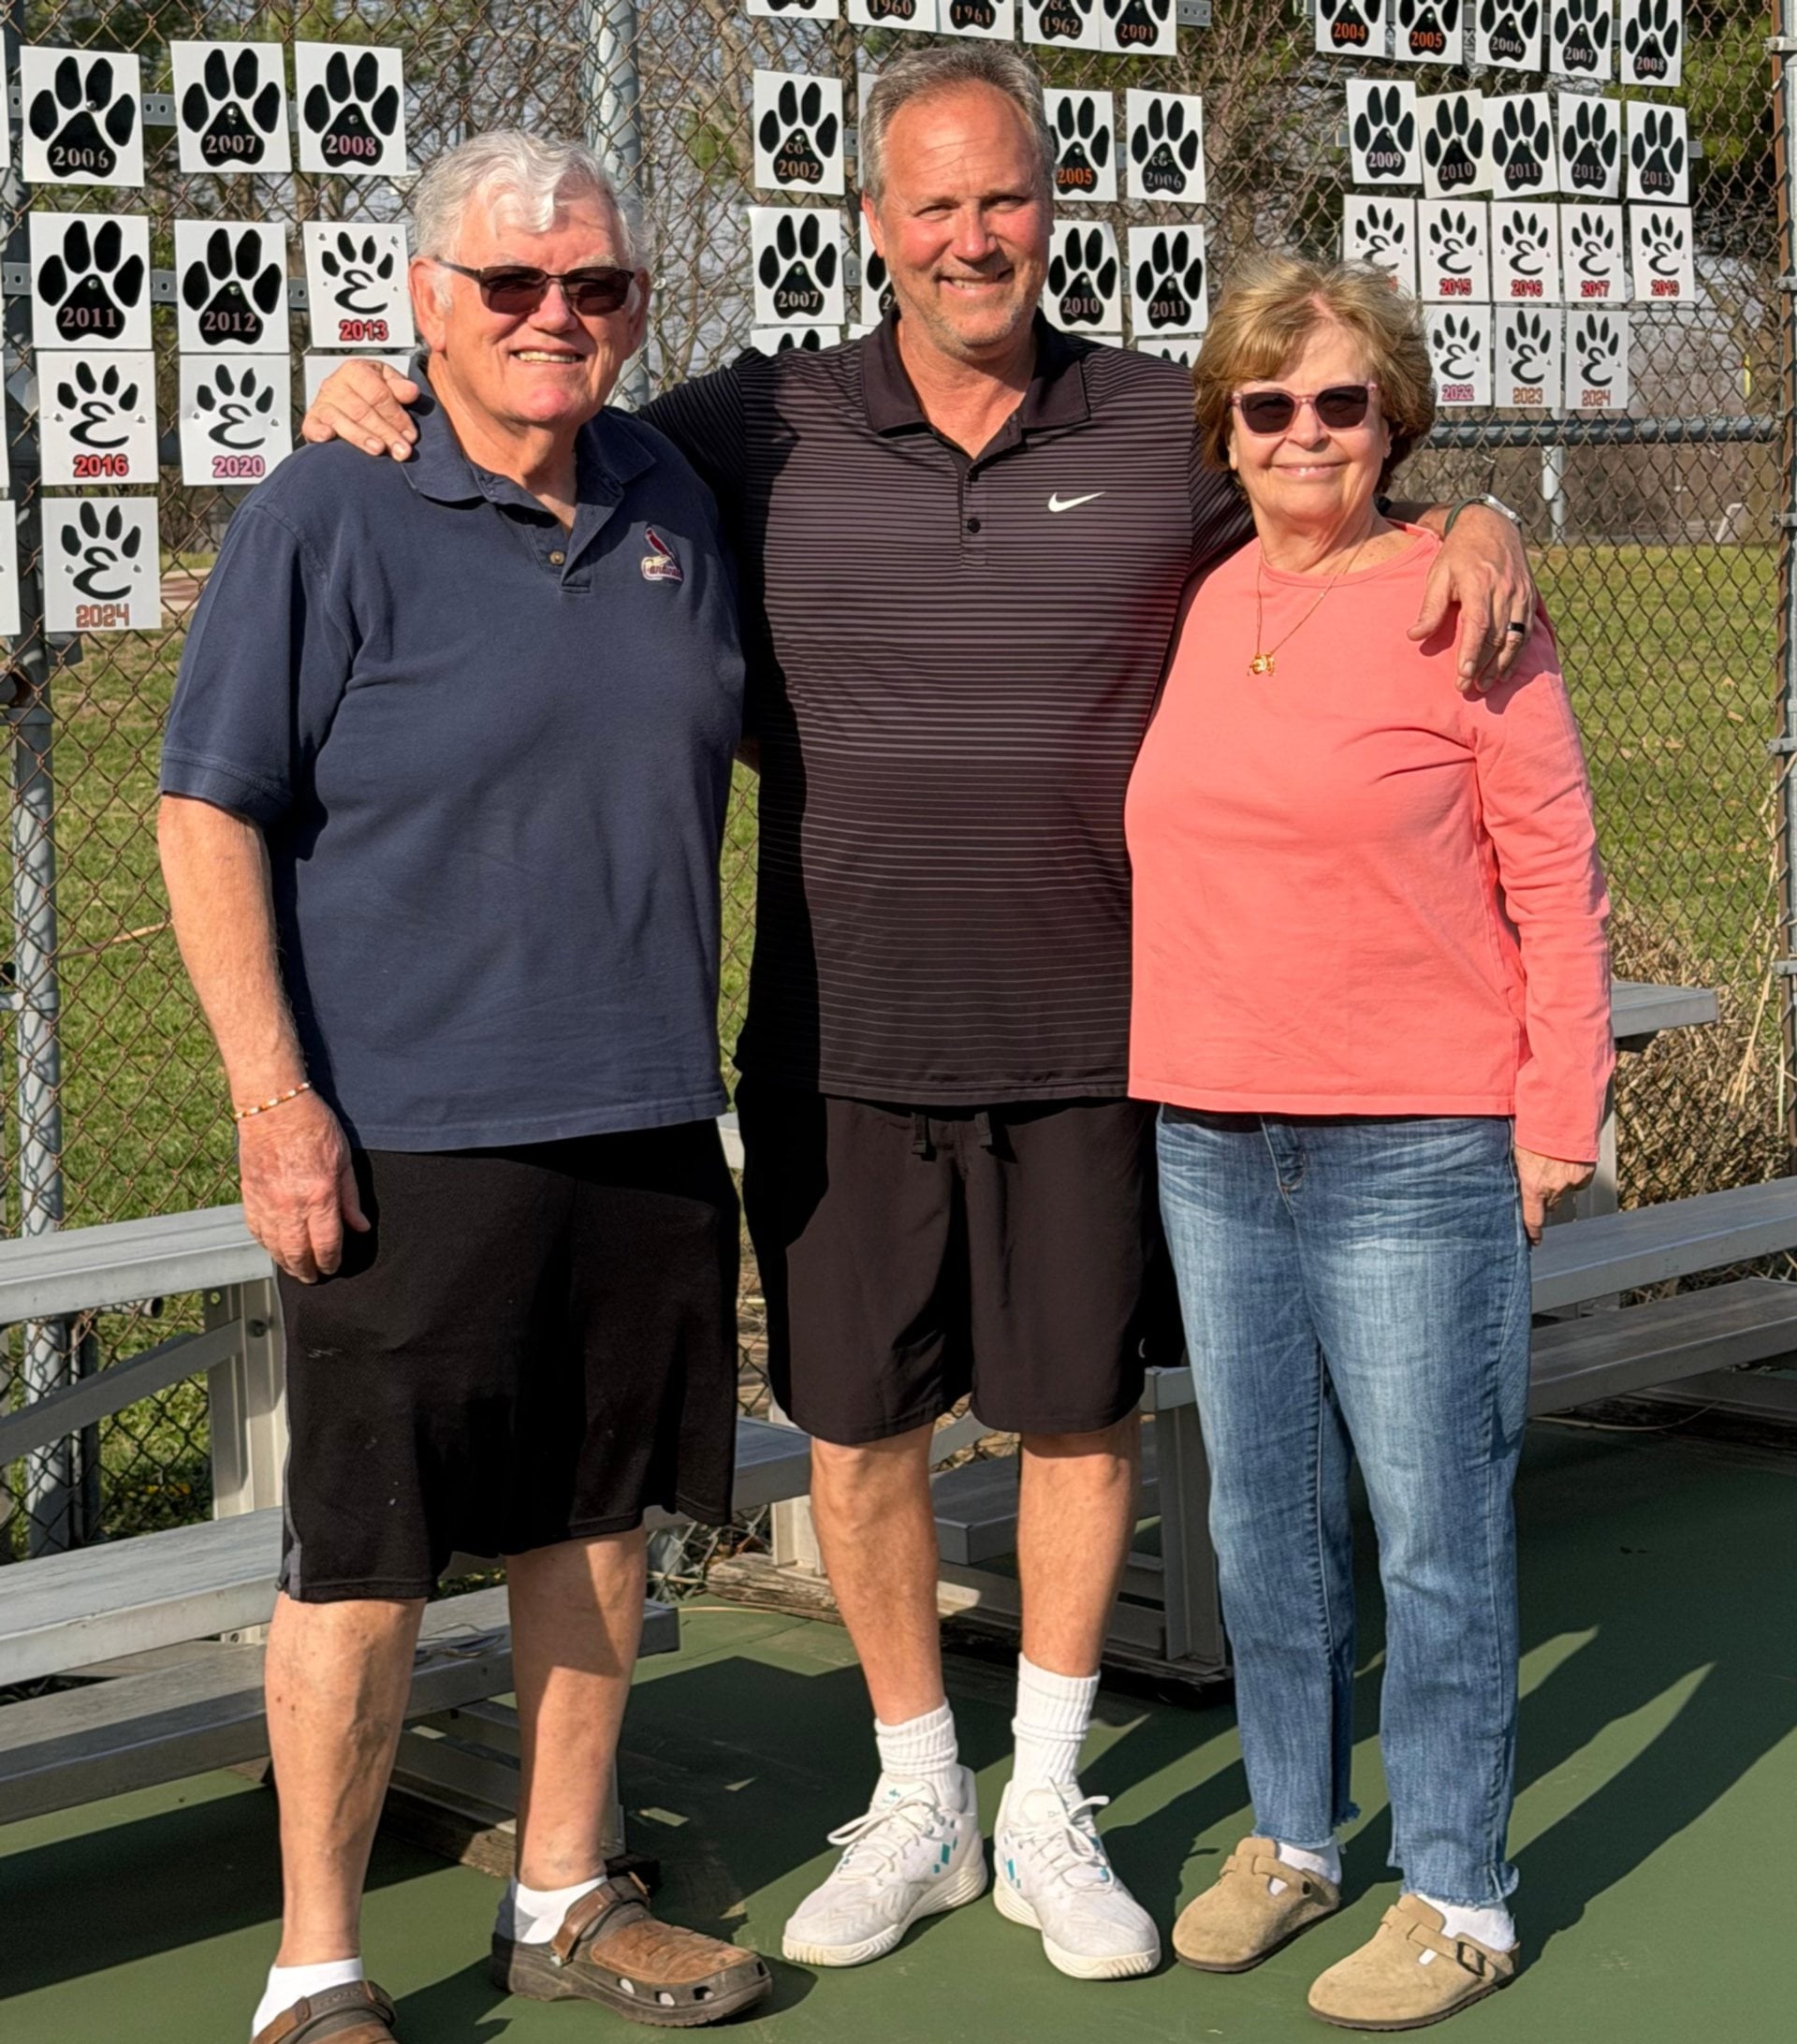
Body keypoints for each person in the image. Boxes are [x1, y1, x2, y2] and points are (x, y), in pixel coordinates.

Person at [301, 43, 1536, 1986]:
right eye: (932, 204)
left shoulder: (1159, 424)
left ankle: (1047, 1794)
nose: (974, 237)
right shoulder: (749, 425)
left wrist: (1468, 513)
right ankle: (918, 1790)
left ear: (1058, 211)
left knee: (1074, 1418)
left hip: (1097, 1037)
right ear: (874, 225)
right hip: (836, 1028)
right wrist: (366, 389)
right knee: (859, 1427)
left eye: (1008, 198)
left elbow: (1333, 478)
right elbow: (531, 414)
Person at [159, 132, 772, 2043]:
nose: (553, 319)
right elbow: (202, 813)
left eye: (592, 286)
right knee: (366, 1563)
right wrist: (277, 1098)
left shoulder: (678, 480)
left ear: (640, 308)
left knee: (596, 1524)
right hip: (404, 1132)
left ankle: (563, 1890)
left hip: (649, 1108)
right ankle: (315, 1969)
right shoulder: (325, 509)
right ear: (423, 302)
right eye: (507, 286)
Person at [1126, 256, 1611, 2030]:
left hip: (1417, 1140)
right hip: (1213, 1131)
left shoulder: (1462, 600)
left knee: (1433, 1531)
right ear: (1227, 431)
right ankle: (1291, 1836)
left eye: (1342, 402)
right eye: (1270, 406)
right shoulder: (1204, 599)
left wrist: (1557, 1115)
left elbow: (1555, 875)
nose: (1306, 433)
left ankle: (1461, 1894)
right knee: (1261, 1524)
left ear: (1394, 416)